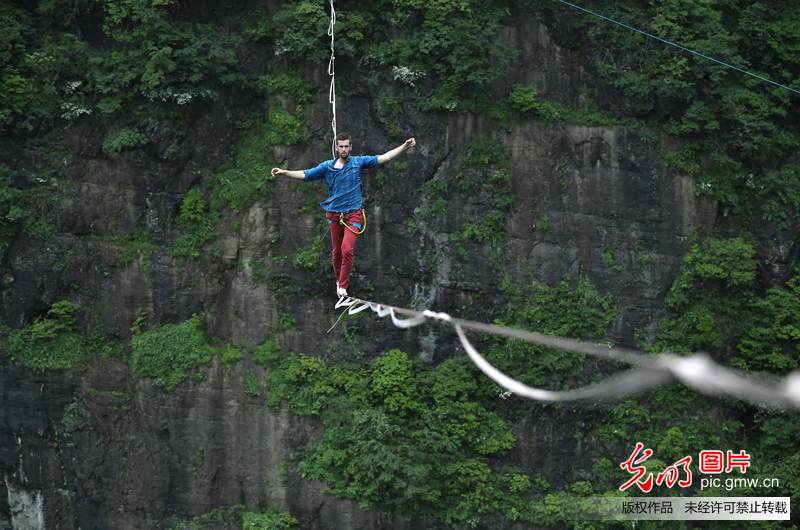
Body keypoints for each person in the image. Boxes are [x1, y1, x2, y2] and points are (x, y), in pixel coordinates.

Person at [271, 133, 416, 298]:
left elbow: (384, 158)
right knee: (336, 252)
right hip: (334, 214)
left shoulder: (358, 162)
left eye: (347, 146)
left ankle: (343, 286)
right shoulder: (327, 167)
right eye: (341, 146)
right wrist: (284, 172)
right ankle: (339, 282)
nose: (344, 149)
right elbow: (306, 174)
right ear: (336, 147)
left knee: (347, 249)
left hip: (353, 215)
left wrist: (404, 146)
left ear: (351, 147)